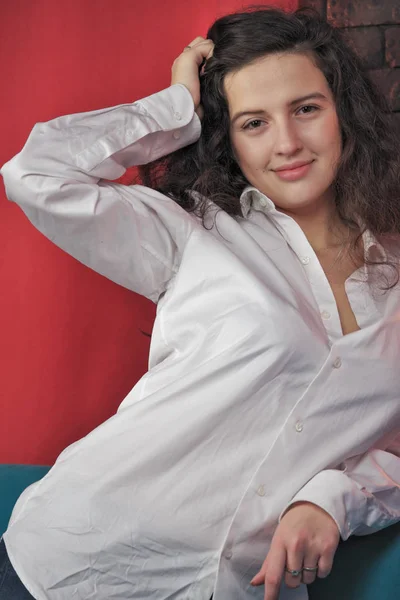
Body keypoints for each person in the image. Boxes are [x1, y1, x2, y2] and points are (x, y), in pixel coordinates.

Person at [1, 6, 400, 600]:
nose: (287, 143)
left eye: (306, 109)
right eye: (254, 122)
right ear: (226, 138)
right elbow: (36, 174)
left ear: (344, 111)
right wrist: (177, 107)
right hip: (69, 567)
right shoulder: (195, 232)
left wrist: (334, 502)